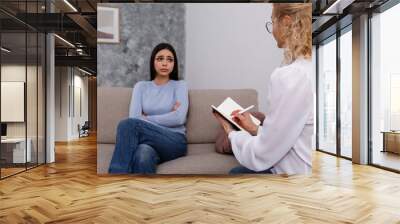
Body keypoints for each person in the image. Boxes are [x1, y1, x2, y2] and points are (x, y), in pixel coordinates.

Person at [214, 3, 313, 175]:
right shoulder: (310, 68)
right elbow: (287, 136)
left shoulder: (290, 76)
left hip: (294, 179)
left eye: (272, 22)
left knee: (235, 174)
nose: (272, 29)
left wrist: (230, 132)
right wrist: (254, 128)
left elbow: (262, 153)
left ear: (286, 22)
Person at [109, 43, 188, 174]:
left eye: (170, 59)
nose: (165, 63)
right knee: (142, 154)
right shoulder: (141, 87)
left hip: (174, 140)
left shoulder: (180, 86)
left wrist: (146, 118)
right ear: (153, 62)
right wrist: (169, 115)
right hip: (149, 143)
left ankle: (115, 179)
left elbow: (179, 118)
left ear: (174, 64)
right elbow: (134, 117)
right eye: (160, 58)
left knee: (127, 125)